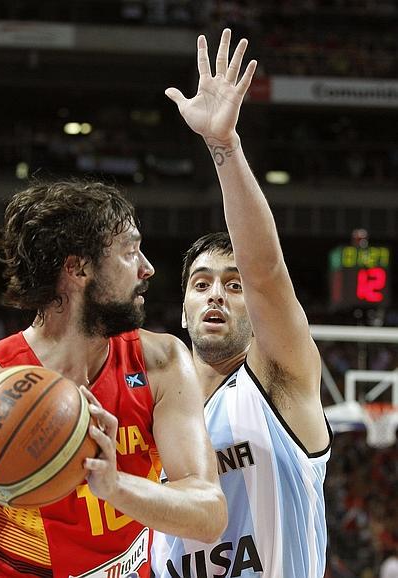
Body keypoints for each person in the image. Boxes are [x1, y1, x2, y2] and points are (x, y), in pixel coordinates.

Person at [0, 179, 227, 577]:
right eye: (130, 252)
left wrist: (116, 486)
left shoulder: (160, 362)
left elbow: (209, 513)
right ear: (77, 268)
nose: (147, 268)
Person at [151, 30, 332, 578]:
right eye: (201, 283)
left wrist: (223, 146)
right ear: (182, 308)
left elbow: (267, 273)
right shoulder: (153, 415)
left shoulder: (279, 381)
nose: (215, 294)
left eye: (232, 285)